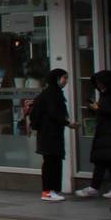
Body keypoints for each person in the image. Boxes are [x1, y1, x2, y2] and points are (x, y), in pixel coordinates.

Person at [79, 69, 111, 200]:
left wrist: (99, 109)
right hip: (103, 131)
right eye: (97, 84)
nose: (99, 86)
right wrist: (94, 109)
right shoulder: (105, 95)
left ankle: (103, 187)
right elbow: (104, 111)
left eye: (100, 83)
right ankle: (106, 187)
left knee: (108, 160)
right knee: (104, 160)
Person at [29, 67, 72, 201]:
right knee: (51, 162)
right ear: (57, 79)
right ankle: (47, 191)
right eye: (64, 78)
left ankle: (52, 190)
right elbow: (54, 113)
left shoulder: (51, 93)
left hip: (50, 133)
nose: (66, 81)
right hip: (49, 134)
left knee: (54, 161)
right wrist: (67, 123)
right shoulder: (52, 95)